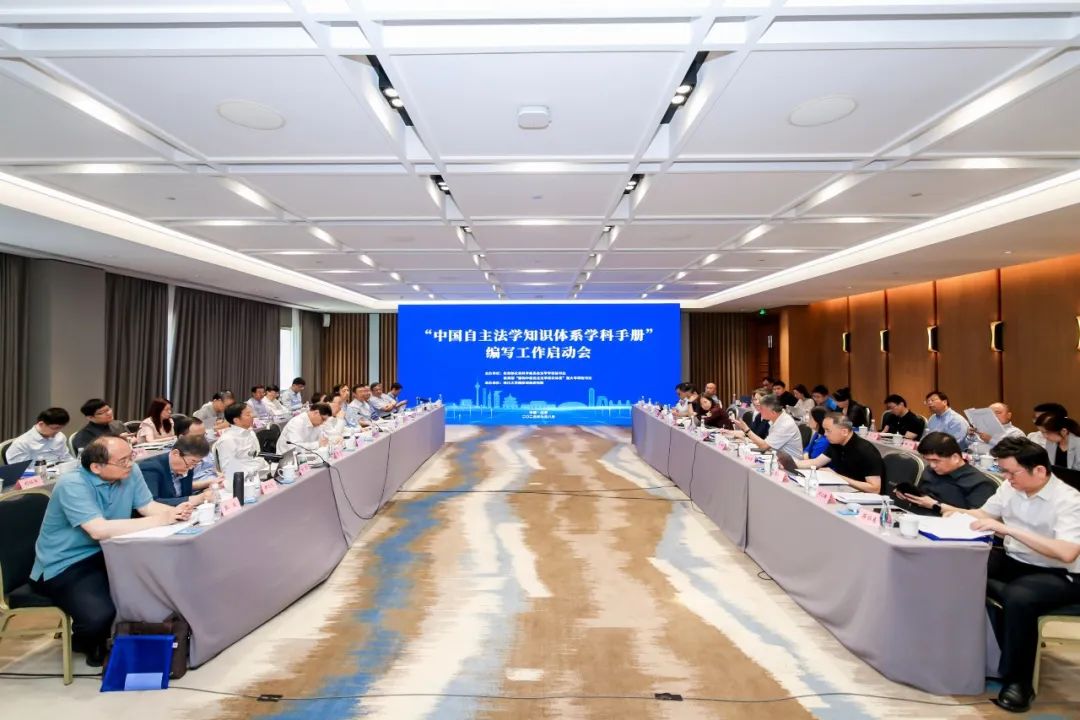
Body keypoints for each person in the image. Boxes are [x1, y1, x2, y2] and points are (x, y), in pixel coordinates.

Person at [933, 437, 1080, 713]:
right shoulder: (1010, 487)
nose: (1006, 478)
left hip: (1060, 573)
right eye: (1004, 472)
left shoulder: (1069, 500)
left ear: (1039, 470)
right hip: (1016, 560)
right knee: (958, 567)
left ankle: (1019, 681)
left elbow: (1067, 552)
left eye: (1012, 473)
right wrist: (950, 513)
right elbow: (983, 514)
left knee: (1019, 598)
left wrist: (1009, 530)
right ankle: (954, 653)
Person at [29, 437, 192, 665]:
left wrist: (175, 513)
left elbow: (146, 506)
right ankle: (86, 642)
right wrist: (162, 520)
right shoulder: (72, 484)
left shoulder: (130, 471)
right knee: (99, 617)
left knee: (152, 586)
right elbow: (98, 530)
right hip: (66, 563)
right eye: (123, 461)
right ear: (96, 467)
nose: (130, 464)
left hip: (111, 551)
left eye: (131, 457)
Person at [894, 432, 998, 515]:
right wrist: (910, 495)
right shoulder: (930, 471)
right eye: (928, 460)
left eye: (936, 461)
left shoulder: (980, 483)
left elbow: (978, 518)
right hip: (915, 517)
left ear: (955, 458)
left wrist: (935, 505)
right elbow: (922, 496)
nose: (932, 465)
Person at [797, 413, 885, 493]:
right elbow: (816, 462)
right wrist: (793, 463)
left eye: (828, 430)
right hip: (843, 490)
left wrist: (837, 476)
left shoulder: (866, 450)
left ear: (844, 432)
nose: (825, 434)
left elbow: (875, 489)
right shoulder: (836, 444)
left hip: (862, 496)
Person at [138, 434, 215, 507]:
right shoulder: (151, 468)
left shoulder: (188, 465)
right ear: (175, 453)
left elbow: (185, 494)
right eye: (192, 462)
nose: (191, 468)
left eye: (196, 464)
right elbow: (151, 504)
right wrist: (195, 499)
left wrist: (205, 492)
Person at [734, 394, 803, 458]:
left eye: (762, 409)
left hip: (792, 463)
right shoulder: (776, 418)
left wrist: (746, 429)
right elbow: (767, 445)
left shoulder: (785, 424)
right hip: (777, 457)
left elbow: (764, 446)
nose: (759, 411)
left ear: (773, 412)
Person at [6, 407, 74, 465]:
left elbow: (66, 458)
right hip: (38, 474)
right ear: (41, 424)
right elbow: (20, 470)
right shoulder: (22, 443)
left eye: (61, 428)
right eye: (55, 428)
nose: (58, 431)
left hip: (59, 471)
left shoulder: (60, 436)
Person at [173, 415, 218, 485]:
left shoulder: (201, 447)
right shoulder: (176, 457)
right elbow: (179, 486)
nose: (203, 439)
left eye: (204, 435)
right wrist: (209, 483)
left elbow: (212, 469)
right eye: (197, 437)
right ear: (182, 438)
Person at [213, 402, 261, 467]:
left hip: (259, 467)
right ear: (236, 420)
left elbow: (258, 455)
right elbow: (228, 467)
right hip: (245, 471)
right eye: (248, 414)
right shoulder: (227, 440)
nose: (252, 416)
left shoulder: (251, 433)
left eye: (251, 413)